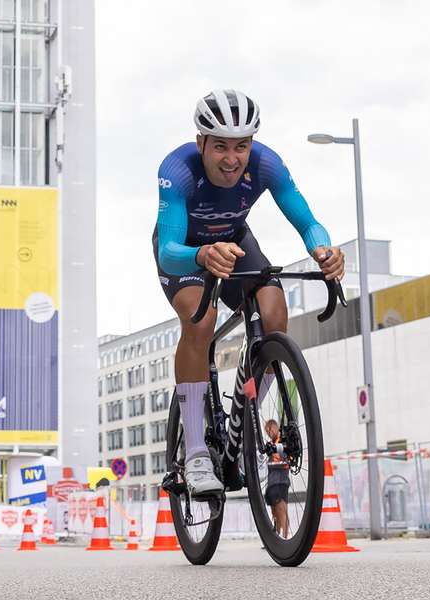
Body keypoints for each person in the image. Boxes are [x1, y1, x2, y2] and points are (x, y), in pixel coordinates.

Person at [154, 89, 345, 495]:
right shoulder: (178, 169)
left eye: (241, 146)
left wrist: (324, 251)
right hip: (188, 250)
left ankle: (247, 422)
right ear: (200, 143)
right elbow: (169, 253)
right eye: (220, 146)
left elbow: (307, 220)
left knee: (273, 314)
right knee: (201, 320)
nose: (231, 158)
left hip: (235, 241)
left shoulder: (267, 165)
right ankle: (196, 452)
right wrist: (203, 254)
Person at [264, 420, 290, 537]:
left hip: (281, 480)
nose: (269, 433)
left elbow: (286, 458)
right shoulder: (271, 444)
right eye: (267, 431)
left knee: (281, 509)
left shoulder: (282, 442)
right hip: (272, 481)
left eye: (270, 430)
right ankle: (277, 534)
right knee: (274, 511)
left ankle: (285, 536)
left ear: (275, 427)